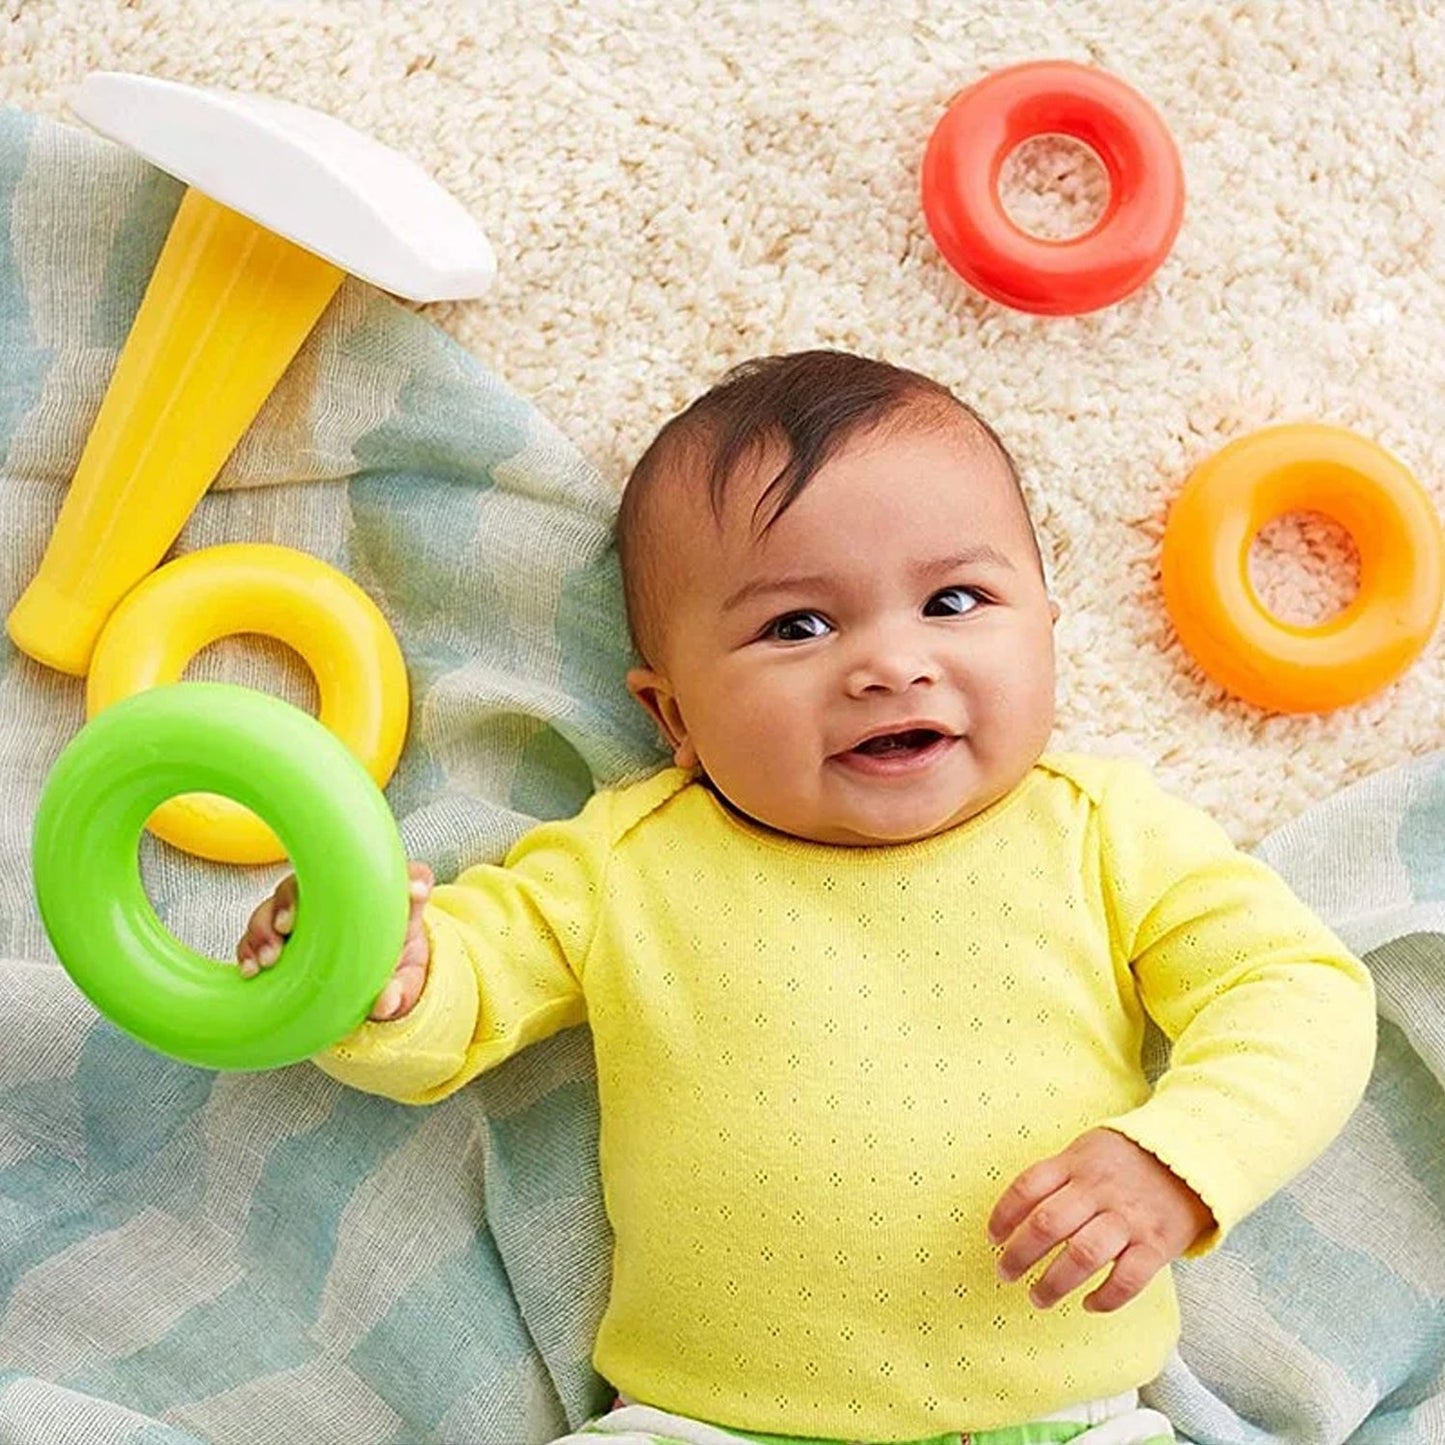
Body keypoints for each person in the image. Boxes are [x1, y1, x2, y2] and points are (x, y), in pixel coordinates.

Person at [236, 350, 1377, 1445]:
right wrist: (366, 962)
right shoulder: (624, 861)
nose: (888, 662)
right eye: (798, 626)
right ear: (673, 715)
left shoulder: (1101, 833)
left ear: (1045, 633)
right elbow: (457, 994)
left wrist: (1180, 1156)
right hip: (701, 1421)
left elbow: (1293, 993)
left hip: (1062, 1417)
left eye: (954, 599)